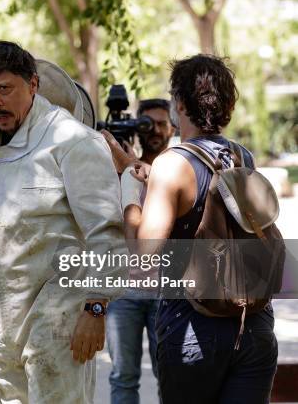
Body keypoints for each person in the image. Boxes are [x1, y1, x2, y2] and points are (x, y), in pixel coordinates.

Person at [0, 41, 127, 403]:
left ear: (33, 85)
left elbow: (108, 234)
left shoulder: (73, 142)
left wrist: (96, 308)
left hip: (59, 328)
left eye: (4, 89)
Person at [104, 54, 278, 403]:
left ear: (179, 104)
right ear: (228, 104)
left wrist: (129, 194)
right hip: (254, 325)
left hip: (194, 329)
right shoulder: (242, 157)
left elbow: (143, 260)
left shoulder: (171, 164)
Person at [105, 99, 174, 404]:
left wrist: (127, 164)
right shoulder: (118, 166)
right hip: (124, 290)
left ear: (173, 126)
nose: (155, 130)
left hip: (167, 290)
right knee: (122, 376)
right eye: (148, 123)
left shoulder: (178, 167)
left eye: (162, 123)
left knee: (171, 375)